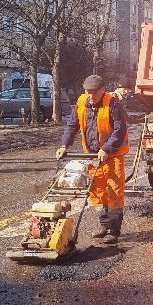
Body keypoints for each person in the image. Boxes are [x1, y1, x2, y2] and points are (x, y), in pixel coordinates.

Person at [56, 74, 129, 244]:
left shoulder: (112, 103)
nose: (90, 95)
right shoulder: (82, 102)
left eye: (93, 92)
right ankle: (103, 226)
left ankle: (114, 231)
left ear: (102, 90)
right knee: (97, 192)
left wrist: (107, 148)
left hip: (112, 156)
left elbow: (120, 130)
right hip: (92, 156)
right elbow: (72, 125)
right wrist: (64, 145)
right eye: (87, 91)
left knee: (114, 192)